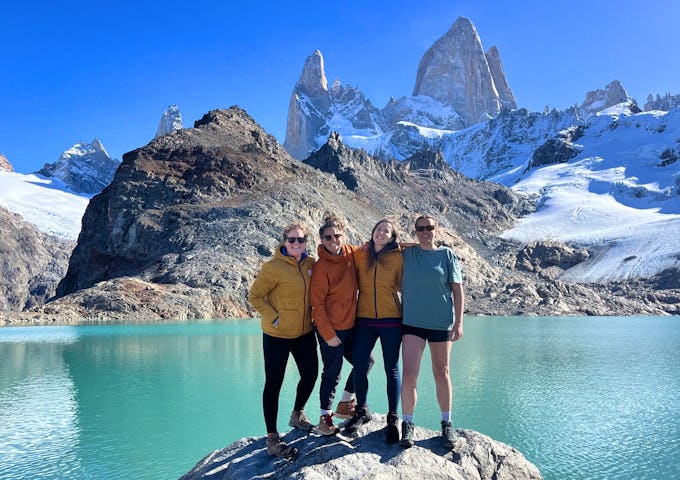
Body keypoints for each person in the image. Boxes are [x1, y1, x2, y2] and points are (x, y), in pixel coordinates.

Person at [248, 222, 318, 459]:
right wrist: (274, 317)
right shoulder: (273, 267)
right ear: (284, 242)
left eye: (301, 240)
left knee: (310, 374)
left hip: (304, 332)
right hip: (277, 335)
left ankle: (297, 414)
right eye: (292, 240)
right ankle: (272, 438)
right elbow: (254, 296)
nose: (296, 244)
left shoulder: (311, 264)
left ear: (306, 242)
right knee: (274, 384)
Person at [399, 215, 464, 449]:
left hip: (441, 323)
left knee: (442, 372)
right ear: (415, 231)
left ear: (437, 229)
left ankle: (447, 423)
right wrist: (412, 244)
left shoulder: (447, 255)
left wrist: (459, 322)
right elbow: (391, 245)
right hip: (412, 323)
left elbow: (457, 290)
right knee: (409, 375)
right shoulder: (407, 254)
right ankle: (407, 423)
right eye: (420, 228)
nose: (425, 231)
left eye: (430, 227)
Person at [310, 215, 374, 435]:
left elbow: (377, 248)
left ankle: (345, 403)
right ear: (322, 240)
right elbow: (316, 305)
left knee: (366, 360)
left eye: (337, 235)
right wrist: (328, 334)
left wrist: (424, 246)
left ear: (343, 235)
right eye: (328, 237)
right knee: (332, 372)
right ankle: (324, 418)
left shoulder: (350, 254)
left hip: (350, 325)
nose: (333, 240)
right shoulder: (321, 268)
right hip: (331, 328)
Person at [344, 218, 403, 444]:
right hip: (365, 319)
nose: (381, 233)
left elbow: (405, 284)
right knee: (360, 364)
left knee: (392, 369)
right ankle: (361, 411)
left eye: (386, 231)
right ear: (372, 232)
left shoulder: (398, 257)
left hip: (391, 320)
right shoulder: (360, 254)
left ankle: (392, 418)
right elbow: (343, 252)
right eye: (378, 229)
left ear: (392, 237)